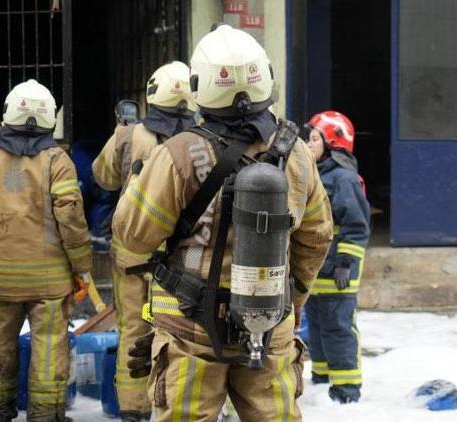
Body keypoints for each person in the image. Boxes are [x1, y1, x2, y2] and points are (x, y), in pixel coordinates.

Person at [111, 24, 332, 421]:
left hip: (190, 329)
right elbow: (316, 237)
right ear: (264, 78)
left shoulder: (178, 155)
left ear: (201, 86)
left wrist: (138, 180)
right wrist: (292, 300)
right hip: (269, 326)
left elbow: (133, 235)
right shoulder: (297, 154)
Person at [0, 79, 91, 421]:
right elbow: (71, 218)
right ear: (49, 118)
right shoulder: (57, 160)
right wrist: (82, 268)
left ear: (7, 114)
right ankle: (46, 414)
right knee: (48, 350)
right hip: (50, 282)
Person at [92, 61, 196, 422]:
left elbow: (101, 177)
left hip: (133, 255)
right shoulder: (205, 138)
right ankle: (177, 405)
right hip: (181, 260)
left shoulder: (128, 135)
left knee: (134, 330)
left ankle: (133, 411)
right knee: (184, 334)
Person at [304, 111, 370, 403]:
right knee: (316, 327)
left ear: (333, 142)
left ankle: (346, 390)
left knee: (338, 327)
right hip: (316, 270)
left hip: (337, 271)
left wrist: (346, 263)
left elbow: (357, 227)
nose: (308, 144)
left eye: (314, 138)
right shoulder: (314, 174)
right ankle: (322, 378)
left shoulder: (345, 179)